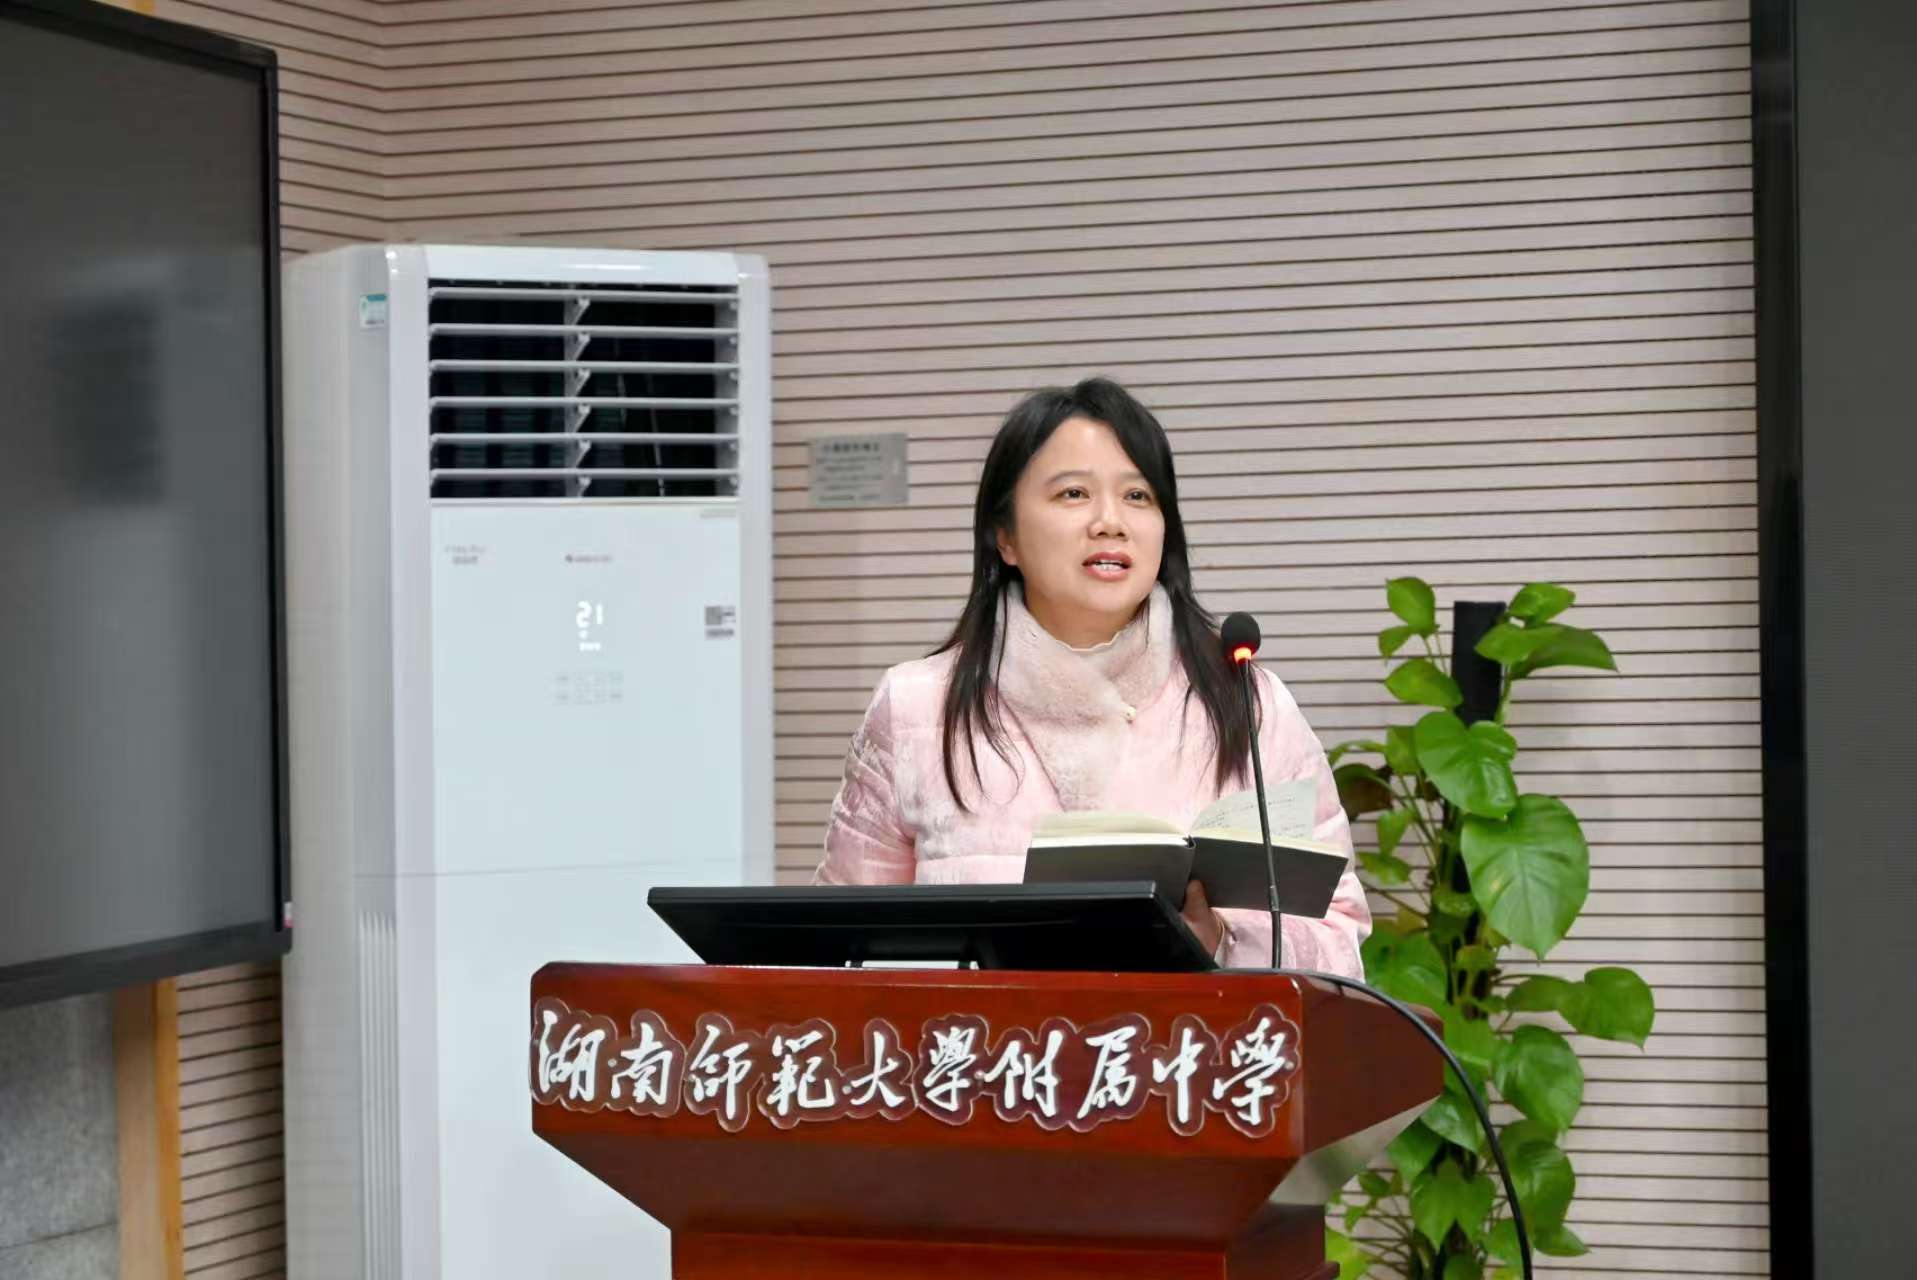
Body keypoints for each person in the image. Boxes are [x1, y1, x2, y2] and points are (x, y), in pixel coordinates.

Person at [811, 377, 1370, 974]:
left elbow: (1338, 939)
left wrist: (1222, 945)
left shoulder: (1248, 703)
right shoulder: (917, 708)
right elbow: (837, 953)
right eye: (1074, 493)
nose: (1110, 522)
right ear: (1005, 536)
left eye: (1138, 496)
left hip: (1190, 1036)